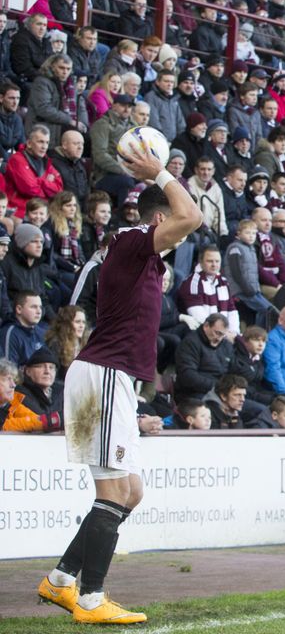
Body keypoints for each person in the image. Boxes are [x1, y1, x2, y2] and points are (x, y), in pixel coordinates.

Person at [41, 144, 201, 624]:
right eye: (166, 225)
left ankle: (62, 579)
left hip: (111, 379)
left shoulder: (139, 257)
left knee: (130, 491)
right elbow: (189, 215)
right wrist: (161, 174)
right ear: (157, 220)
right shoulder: (135, 239)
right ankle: (91, 600)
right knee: (112, 493)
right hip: (103, 376)